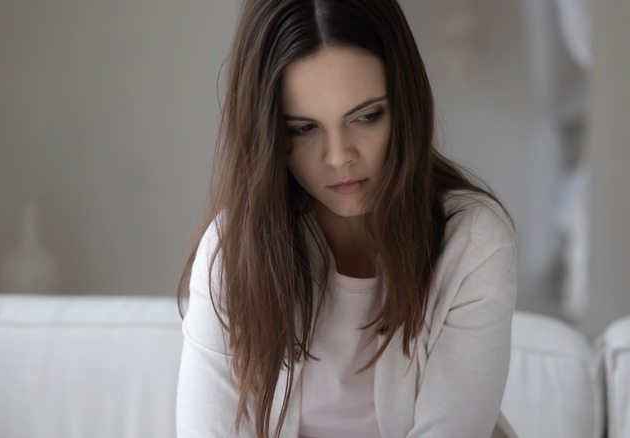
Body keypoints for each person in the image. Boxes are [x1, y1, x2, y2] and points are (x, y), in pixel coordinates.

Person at [176, 0, 518, 437]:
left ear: (405, 104)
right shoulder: (233, 250)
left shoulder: (472, 242)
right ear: (269, 132)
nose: (339, 157)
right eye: (303, 128)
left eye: (366, 116)